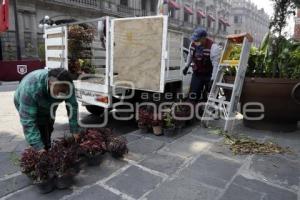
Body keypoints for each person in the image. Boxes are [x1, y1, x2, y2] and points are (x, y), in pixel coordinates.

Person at [14, 68, 80, 152]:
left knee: (48, 125)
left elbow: (72, 106)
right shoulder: (31, 88)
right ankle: (35, 147)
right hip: (27, 103)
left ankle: (45, 145)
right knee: (36, 127)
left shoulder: (67, 83)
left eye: (65, 91)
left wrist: (74, 130)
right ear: (51, 83)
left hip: (48, 104)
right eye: (60, 90)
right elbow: (28, 121)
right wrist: (38, 147)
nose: (62, 93)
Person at [183, 28, 221, 102]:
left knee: (211, 96)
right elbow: (190, 56)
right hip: (197, 74)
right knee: (193, 95)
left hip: (209, 74)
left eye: (197, 39)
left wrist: (213, 80)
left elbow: (216, 65)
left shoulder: (213, 47)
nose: (195, 41)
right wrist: (186, 67)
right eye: (194, 39)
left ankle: (210, 110)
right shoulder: (193, 44)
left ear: (203, 38)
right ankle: (193, 110)